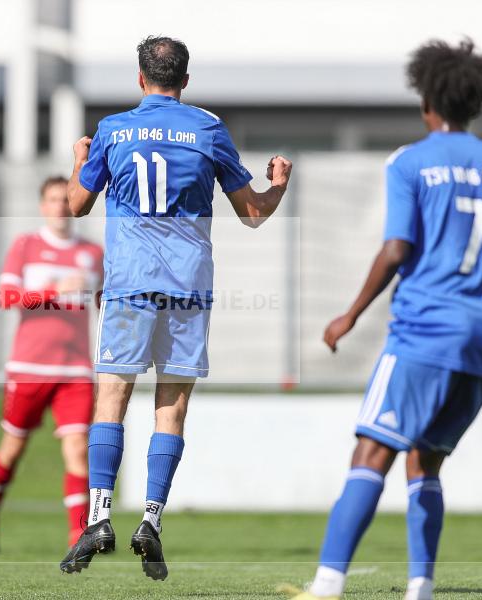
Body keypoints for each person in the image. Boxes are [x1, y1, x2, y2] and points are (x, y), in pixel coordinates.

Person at [283, 39, 482, 600]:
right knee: (427, 461)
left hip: (426, 331)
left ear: (427, 103)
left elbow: (395, 250)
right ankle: (421, 587)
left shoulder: (411, 161)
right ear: (477, 103)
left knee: (373, 451)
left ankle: (326, 584)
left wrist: (349, 314)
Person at [60, 35, 293, 579]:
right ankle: (152, 519)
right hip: (188, 288)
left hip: (129, 283)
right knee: (172, 403)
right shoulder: (207, 130)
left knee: (112, 396)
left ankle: (98, 518)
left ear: (140, 79)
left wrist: (80, 159)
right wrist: (278, 184)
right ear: (185, 82)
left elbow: (75, 204)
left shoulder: (115, 130)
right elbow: (253, 213)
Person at [0, 176, 103, 552]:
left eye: (66, 200)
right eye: (53, 200)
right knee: (12, 448)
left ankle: (77, 535)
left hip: (76, 369)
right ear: (42, 206)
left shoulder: (93, 254)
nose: (61, 207)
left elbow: (105, 303)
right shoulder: (26, 246)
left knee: (78, 448)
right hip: (30, 367)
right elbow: (5, 297)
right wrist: (53, 292)